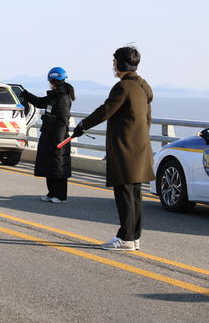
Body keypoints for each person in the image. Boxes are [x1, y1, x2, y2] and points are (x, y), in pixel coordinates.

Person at [73, 46, 154, 251]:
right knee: (135, 195)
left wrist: (82, 125)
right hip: (141, 147)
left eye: (114, 61)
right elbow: (147, 119)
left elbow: (105, 111)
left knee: (124, 194)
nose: (113, 64)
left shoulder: (123, 87)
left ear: (121, 63)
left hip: (125, 149)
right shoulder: (143, 87)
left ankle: (125, 238)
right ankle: (134, 237)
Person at [21, 67, 75, 203]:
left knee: (58, 166)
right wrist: (25, 94)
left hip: (58, 137)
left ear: (53, 80)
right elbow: (40, 102)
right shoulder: (55, 95)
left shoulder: (62, 97)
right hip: (48, 135)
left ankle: (61, 196)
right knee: (50, 165)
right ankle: (51, 193)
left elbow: (63, 120)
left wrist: (59, 139)